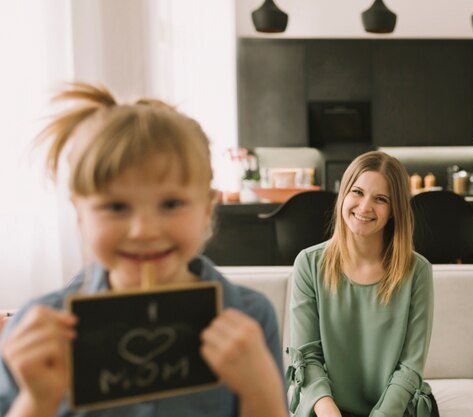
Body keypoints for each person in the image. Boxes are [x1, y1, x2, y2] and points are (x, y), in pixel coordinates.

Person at [0, 82, 288, 417]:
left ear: (207, 209)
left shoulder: (250, 317)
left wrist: (261, 390)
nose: (144, 231)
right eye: (117, 207)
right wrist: (37, 401)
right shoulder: (35, 330)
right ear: (79, 214)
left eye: (170, 203)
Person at [286, 151, 438, 417]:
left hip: (395, 411)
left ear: (394, 211)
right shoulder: (308, 264)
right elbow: (307, 358)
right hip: (326, 409)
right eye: (357, 192)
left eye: (380, 199)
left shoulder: (418, 271)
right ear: (343, 194)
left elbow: (410, 367)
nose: (365, 207)